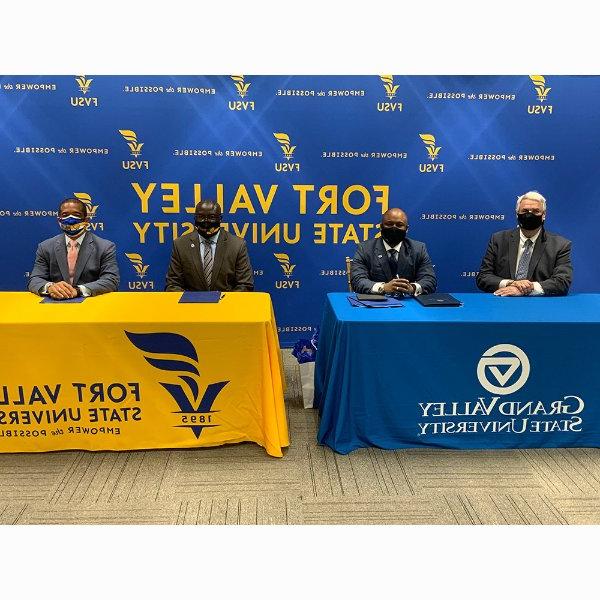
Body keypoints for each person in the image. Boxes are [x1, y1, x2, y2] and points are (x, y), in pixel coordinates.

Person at [476, 190, 572, 296]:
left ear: (544, 215)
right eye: (525, 211)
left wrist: (526, 289)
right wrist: (511, 283)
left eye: (536, 211)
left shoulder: (560, 245)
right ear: (517, 214)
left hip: (541, 306)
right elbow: (483, 277)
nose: (529, 215)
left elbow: (562, 281)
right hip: (503, 303)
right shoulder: (498, 239)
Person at [28, 197, 119, 299]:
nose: (70, 219)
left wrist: (78, 290)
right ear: (59, 220)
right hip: (54, 304)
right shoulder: (45, 247)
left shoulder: (105, 247)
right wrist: (50, 287)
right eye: (65, 215)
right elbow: (35, 279)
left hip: (91, 305)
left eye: (76, 215)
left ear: (86, 220)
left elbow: (111, 280)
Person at [165, 201, 254, 291]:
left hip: (226, 303)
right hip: (192, 303)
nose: (206, 221)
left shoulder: (237, 245)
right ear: (195, 218)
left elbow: (245, 285)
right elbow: (173, 284)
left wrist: (226, 304)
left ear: (220, 219)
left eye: (211, 217)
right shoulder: (180, 245)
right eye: (201, 217)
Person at [350, 208, 436, 295]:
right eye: (389, 224)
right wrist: (383, 287)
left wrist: (412, 288)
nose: (394, 228)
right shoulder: (365, 248)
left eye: (399, 225)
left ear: (407, 229)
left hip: (408, 304)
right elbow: (357, 280)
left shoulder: (418, 249)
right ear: (381, 227)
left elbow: (429, 280)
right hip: (375, 304)